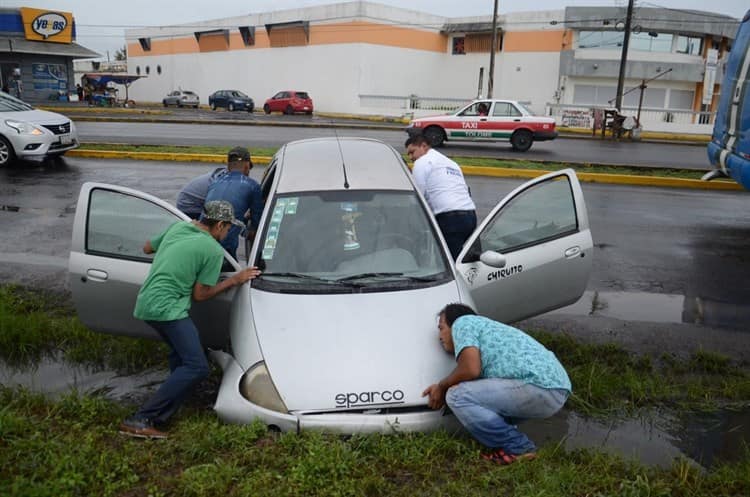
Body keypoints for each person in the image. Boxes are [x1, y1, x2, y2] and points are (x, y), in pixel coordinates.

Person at [119, 200, 261, 439]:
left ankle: (176, 400)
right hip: (168, 309)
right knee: (196, 366)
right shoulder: (211, 249)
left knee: (181, 354)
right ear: (218, 225)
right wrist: (235, 280)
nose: (227, 234)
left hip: (146, 301)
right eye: (227, 229)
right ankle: (142, 418)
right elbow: (201, 294)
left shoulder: (178, 228)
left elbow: (146, 248)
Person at [422, 303, 571, 465]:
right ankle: (509, 446)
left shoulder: (463, 322)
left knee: (456, 395)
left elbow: (470, 369)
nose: (439, 336)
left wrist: (442, 386)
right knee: (480, 400)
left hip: (537, 385)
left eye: (441, 327)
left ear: (454, 322)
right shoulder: (488, 331)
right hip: (557, 391)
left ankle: (519, 447)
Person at [405, 134, 476, 259]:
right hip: (470, 216)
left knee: (450, 263)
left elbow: (418, 195)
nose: (411, 157)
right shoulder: (451, 163)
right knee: (458, 256)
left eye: (412, 152)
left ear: (423, 146)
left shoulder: (422, 162)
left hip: (450, 219)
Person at [205, 146, 263, 259]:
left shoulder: (215, 182)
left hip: (203, 239)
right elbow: (257, 226)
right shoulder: (252, 185)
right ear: (247, 166)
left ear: (228, 166)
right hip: (224, 246)